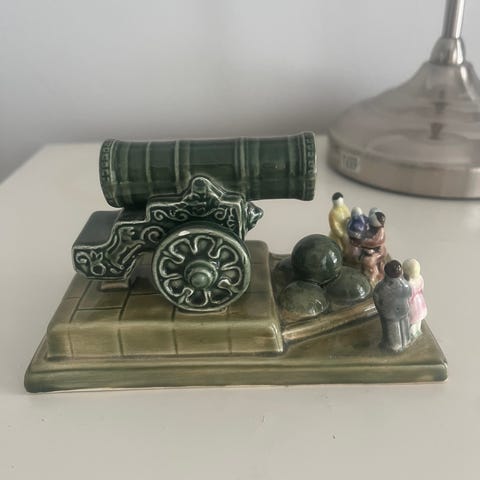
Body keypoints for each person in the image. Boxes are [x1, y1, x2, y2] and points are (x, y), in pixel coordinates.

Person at [373, 260, 412, 353]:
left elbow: (376, 297)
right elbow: (409, 294)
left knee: (392, 328)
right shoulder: (405, 284)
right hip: (403, 309)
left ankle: (394, 345)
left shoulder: (382, 287)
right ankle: (405, 341)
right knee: (404, 324)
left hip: (389, 311)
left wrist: (380, 309)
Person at [359, 210, 387, 284]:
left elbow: (374, 242)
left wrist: (363, 241)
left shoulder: (380, 233)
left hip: (377, 251)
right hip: (368, 249)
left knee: (369, 261)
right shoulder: (373, 228)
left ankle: (374, 272)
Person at [402, 258, 427, 338]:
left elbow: (407, 298)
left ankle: (411, 335)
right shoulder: (420, 278)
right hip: (421, 303)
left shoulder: (407, 284)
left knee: (412, 322)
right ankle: (417, 331)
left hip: (413, 305)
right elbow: (422, 289)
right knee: (418, 321)